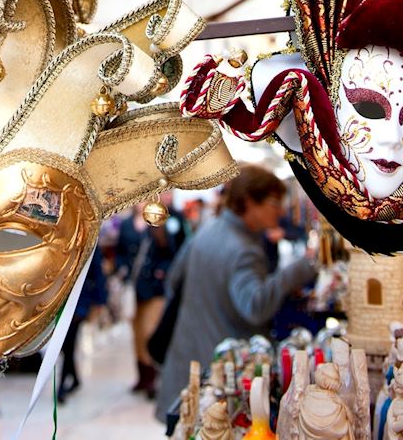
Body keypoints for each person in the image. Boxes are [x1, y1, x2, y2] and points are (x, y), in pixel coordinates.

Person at [155, 164, 319, 421]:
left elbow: (174, 281)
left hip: (186, 365)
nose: (280, 211)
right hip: (220, 380)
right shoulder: (244, 248)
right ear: (250, 202)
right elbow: (255, 307)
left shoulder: (208, 228)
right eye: (274, 202)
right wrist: (301, 269)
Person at [115, 198, 185, 399]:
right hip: (133, 288)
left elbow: (169, 253)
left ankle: (153, 378)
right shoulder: (127, 224)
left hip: (154, 288)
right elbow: (120, 252)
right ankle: (142, 376)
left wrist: (161, 273)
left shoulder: (157, 221)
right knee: (136, 333)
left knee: (148, 330)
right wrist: (122, 269)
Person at [58, 247, 107, 403]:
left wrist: (99, 302)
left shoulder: (90, 240)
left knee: (69, 341)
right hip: (61, 298)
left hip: (80, 299)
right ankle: (74, 379)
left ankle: (61, 386)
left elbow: (97, 272)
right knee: (66, 344)